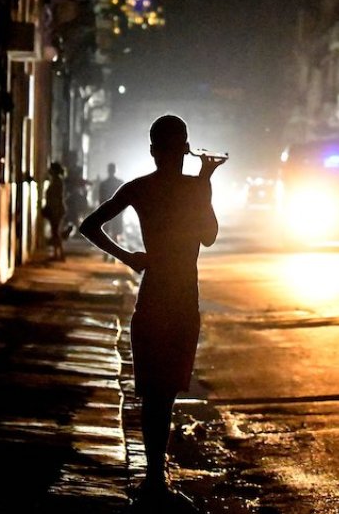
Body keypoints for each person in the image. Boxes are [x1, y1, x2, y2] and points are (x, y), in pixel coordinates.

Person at [79, 115, 227, 507]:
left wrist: (128, 257)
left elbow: (89, 225)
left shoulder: (140, 188)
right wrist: (206, 182)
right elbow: (209, 237)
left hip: (153, 295)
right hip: (182, 300)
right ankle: (155, 481)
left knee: (152, 393)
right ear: (185, 149)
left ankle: (154, 480)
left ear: (151, 150)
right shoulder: (194, 189)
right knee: (166, 393)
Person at [97, 162, 126, 260]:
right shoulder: (120, 183)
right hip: (117, 211)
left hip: (106, 211)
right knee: (115, 234)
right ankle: (115, 256)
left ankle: (106, 255)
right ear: (115, 171)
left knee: (105, 234)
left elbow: (100, 199)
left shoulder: (103, 184)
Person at [42, 161, 67, 261]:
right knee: (55, 232)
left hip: (56, 209)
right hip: (56, 209)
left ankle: (59, 254)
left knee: (56, 232)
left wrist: (53, 210)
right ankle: (58, 253)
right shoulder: (56, 181)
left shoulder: (57, 182)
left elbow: (56, 198)